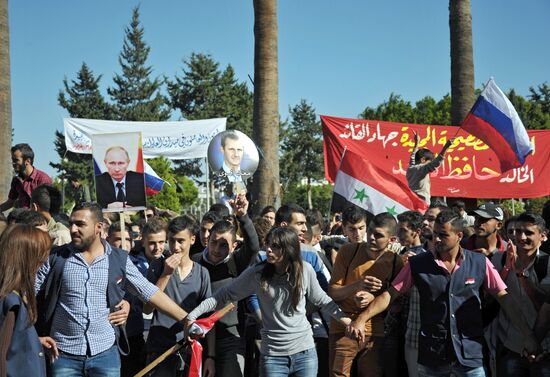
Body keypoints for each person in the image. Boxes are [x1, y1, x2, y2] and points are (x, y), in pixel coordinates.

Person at [347, 209, 540, 377]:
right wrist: (362, 318)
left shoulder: (480, 263)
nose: (436, 239)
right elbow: (390, 295)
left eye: (443, 235)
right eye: (435, 235)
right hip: (433, 356)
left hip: (470, 357)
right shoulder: (418, 264)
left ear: (459, 235)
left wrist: (528, 337)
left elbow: (505, 299)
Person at [33, 202, 198, 376]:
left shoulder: (118, 259)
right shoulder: (55, 258)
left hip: (105, 355)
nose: (73, 229)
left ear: (99, 227)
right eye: (71, 224)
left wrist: (187, 319)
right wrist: (32, 336)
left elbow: (148, 291)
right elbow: (27, 297)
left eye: (80, 224)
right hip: (63, 355)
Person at [186, 227, 352, 377]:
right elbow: (222, 295)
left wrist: (348, 322)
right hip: (273, 357)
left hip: (305, 354)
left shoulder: (305, 269)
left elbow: (322, 300)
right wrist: (192, 315)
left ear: (289, 249)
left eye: (276, 246)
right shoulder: (257, 273)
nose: (269, 250)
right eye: (268, 244)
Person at [328, 212, 403, 377]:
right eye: (370, 232)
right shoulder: (348, 251)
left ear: (392, 239)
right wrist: (357, 286)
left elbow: (397, 302)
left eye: (378, 235)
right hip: (344, 328)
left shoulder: (396, 262)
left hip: (375, 333)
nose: (371, 238)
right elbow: (332, 293)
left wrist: (374, 299)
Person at [192, 194, 260, 377]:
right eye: (213, 242)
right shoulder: (195, 261)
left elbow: (254, 247)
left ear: (234, 246)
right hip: (199, 336)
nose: (216, 249)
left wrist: (243, 217)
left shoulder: (237, 262)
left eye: (223, 245)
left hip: (231, 337)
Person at [144, 216, 214, 376]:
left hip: (189, 350)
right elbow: (147, 308)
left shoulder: (202, 273)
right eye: (172, 240)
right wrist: (166, 275)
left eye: (181, 241)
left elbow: (208, 318)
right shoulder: (157, 267)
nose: (175, 247)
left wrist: (211, 356)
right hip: (159, 350)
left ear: (192, 239)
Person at [490, 213, 550, 376]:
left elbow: (543, 305)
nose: (521, 237)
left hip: (544, 348)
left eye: (528, 233)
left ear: (543, 236)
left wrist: (520, 275)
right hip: (511, 346)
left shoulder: (547, 263)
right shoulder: (499, 258)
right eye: (516, 232)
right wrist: (507, 268)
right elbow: (495, 293)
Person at [0, 225, 55, 377]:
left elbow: (12, 341)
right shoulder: (11, 302)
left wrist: (33, 341)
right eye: (39, 259)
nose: (41, 265)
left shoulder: (13, 296)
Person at [0, 143, 52, 212]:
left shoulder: (43, 179)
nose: (13, 163)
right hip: (21, 220)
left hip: (38, 220)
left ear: (27, 161)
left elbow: (46, 207)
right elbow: (10, 202)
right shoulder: (16, 180)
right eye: (12, 160)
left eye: (16, 160)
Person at [406, 133, 454, 205]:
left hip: (412, 202)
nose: (430, 164)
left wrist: (417, 143)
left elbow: (413, 156)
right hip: (421, 204)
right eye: (429, 162)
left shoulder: (411, 167)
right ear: (422, 160)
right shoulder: (421, 169)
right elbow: (437, 162)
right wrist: (446, 147)